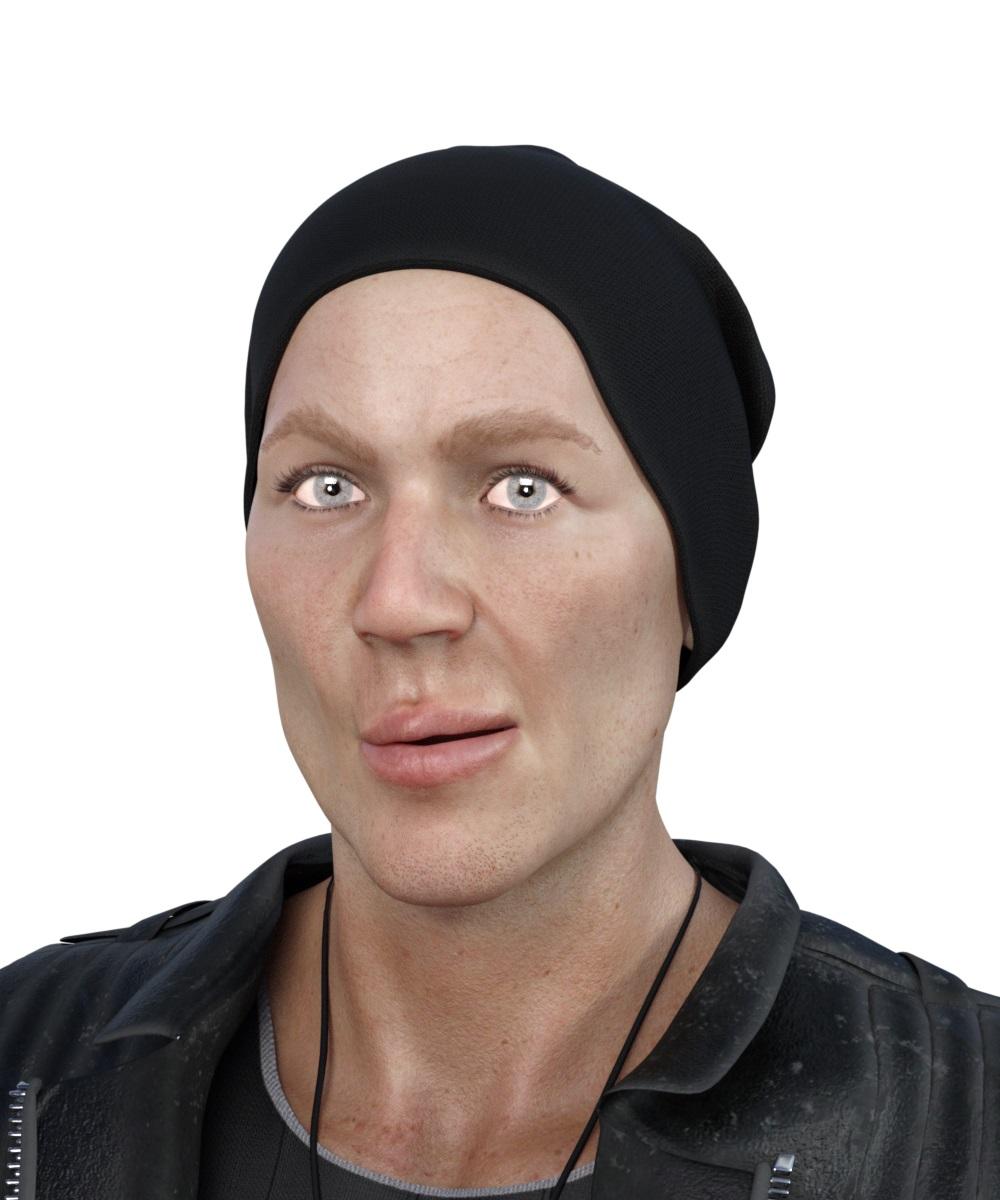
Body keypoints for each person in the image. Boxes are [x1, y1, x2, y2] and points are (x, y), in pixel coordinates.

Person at [2, 145, 997, 1200]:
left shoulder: (963, 1132)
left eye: (522, 488)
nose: (399, 603)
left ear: (691, 576)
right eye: (326, 485)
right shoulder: (31, 1058)